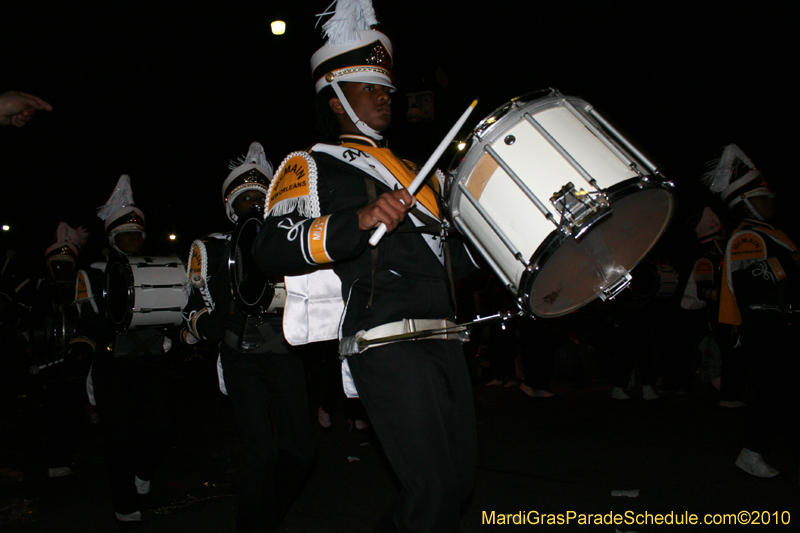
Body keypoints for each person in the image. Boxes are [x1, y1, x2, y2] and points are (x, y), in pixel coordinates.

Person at [252, 2, 480, 531]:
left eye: (386, 89)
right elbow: (271, 246)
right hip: (385, 338)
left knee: (458, 488)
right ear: (335, 101)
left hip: (446, 336)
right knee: (433, 492)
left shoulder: (421, 176)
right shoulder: (311, 164)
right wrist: (357, 218)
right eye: (369, 87)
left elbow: (451, 265)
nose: (384, 97)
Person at [182, 142, 315, 533]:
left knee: (304, 454)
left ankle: (262, 513)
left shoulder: (288, 242)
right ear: (231, 207)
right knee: (262, 455)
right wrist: (213, 327)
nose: (253, 202)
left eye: (260, 196)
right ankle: (255, 524)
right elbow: (193, 305)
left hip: (286, 352)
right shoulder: (209, 247)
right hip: (242, 357)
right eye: (245, 199)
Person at [74, 175, 174, 528]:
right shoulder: (93, 274)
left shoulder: (156, 268)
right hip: (112, 364)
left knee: (160, 427)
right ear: (114, 237)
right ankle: (124, 499)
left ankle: (142, 470)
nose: (135, 238)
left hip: (150, 362)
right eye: (127, 234)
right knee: (117, 435)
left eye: (138, 234)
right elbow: (87, 320)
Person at [703, 144, 800, 478]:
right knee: (783, 392)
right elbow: (751, 287)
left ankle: (751, 452)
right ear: (745, 202)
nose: (769, 202)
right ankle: (752, 452)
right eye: (762, 196)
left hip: (777, 324)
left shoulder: (770, 235)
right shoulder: (747, 238)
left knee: (779, 394)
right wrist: (791, 263)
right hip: (765, 325)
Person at [26, 222, 91, 478]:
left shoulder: (82, 289)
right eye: (57, 265)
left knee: (73, 412)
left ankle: (68, 455)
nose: (62, 268)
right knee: (50, 413)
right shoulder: (37, 289)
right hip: (45, 364)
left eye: (66, 264)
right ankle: (52, 457)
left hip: (75, 364)